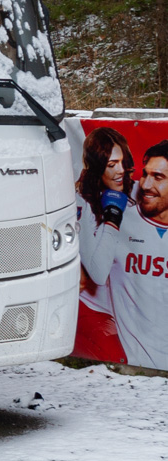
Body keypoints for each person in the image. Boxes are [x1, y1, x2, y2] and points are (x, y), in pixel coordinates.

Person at [85, 140, 168, 370]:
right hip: (131, 364)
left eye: (158, 177)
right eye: (145, 174)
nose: (146, 184)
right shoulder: (119, 206)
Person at [72, 127, 131, 362]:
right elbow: (97, 273)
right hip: (92, 309)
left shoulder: (126, 189)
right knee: (117, 360)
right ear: (97, 167)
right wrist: (112, 220)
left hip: (122, 310)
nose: (121, 171)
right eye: (111, 165)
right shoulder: (82, 203)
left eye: (122, 162)